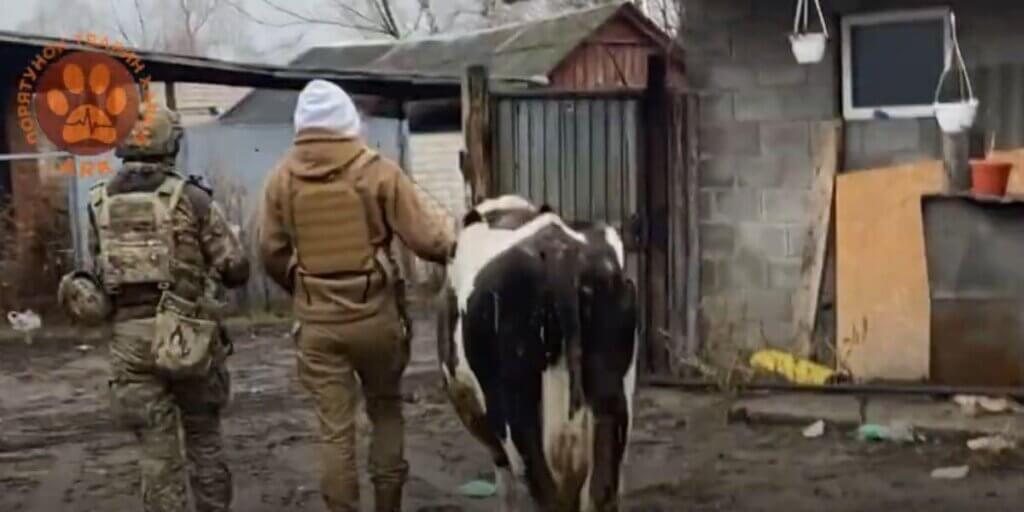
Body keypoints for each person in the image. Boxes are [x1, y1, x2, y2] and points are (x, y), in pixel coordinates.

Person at [259, 79, 455, 512]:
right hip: (376, 317)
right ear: (348, 122)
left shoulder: (281, 179)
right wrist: (460, 241)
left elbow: (270, 252)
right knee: (385, 411)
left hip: (317, 322)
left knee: (335, 431)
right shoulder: (378, 171)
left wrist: (304, 282)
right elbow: (429, 240)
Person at [68, 106, 250, 512]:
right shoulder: (193, 199)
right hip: (189, 335)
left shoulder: (99, 201)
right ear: (172, 145)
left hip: (131, 341)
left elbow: (97, 268)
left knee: (156, 449)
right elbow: (236, 268)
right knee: (204, 437)